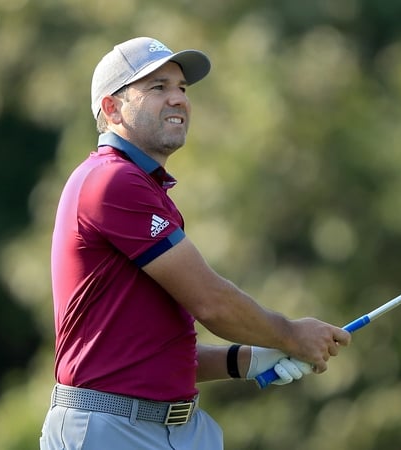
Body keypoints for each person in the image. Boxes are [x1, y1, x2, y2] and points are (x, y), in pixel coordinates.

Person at [39, 36, 351, 450]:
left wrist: (253, 358)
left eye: (181, 89)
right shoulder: (111, 181)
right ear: (111, 109)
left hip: (173, 428)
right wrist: (290, 335)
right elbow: (211, 303)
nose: (178, 100)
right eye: (157, 88)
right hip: (109, 428)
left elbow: (150, 351)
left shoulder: (144, 188)